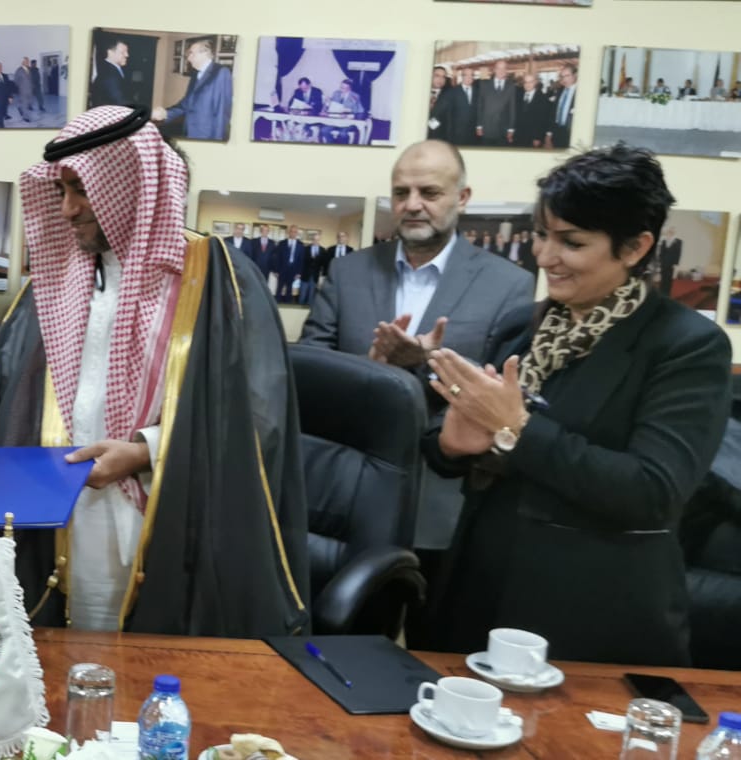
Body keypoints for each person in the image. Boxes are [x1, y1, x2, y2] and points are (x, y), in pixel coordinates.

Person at [0, 106, 308, 637]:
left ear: (134, 186)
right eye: (61, 190)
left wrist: (146, 452)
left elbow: (259, 418)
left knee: (155, 669)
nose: (67, 209)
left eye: (82, 190)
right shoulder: (55, 279)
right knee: (63, 667)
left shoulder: (220, 280)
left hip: (168, 519)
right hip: (56, 525)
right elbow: (0, 384)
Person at [423, 144, 730, 667]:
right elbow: (453, 441)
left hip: (593, 615)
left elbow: (652, 491)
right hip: (477, 592)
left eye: (572, 242)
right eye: (541, 235)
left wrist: (517, 428)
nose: (545, 257)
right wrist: (450, 444)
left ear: (635, 247)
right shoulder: (522, 326)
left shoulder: (685, 345)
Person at [300, 140, 534, 612]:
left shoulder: (508, 284)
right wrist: (370, 370)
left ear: (462, 198)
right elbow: (306, 375)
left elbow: (502, 394)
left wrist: (423, 365)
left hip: (442, 502)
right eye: (400, 192)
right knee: (334, 632)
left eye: (429, 192)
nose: (412, 204)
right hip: (343, 499)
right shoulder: (348, 272)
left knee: (433, 641)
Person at [151, 39, 232, 141]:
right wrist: (165, 113)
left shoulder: (221, 72)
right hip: (189, 133)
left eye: (192, 53)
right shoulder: (195, 74)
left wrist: (218, 142)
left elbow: (222, 112)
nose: (189, 58)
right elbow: (186, 104)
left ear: (204, 53)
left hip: (207, 136)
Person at [475, 60, 515, 146]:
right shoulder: (484, 84)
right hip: (487, 127)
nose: (501, 71)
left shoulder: (511, 86)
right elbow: (480, 106)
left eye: (504, 68)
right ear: (494, 70)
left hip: (503, 129)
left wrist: (511, 128)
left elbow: (512, 109)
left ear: (506, 70)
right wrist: (479, 125)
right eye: (498, 68)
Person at [513, 73, 550, 148]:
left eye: (530, 82)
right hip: (518, 135)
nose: (528, 84)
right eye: (526, 82)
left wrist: (538, 137)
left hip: (533, 137)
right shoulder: (518, 95)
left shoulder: (542, 98)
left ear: (535, 82)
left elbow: (543, 120)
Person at [546, 65, 577, 149]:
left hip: (571, 134)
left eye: (567, 76)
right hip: (557, 133)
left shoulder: (581, 92)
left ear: (575, 75)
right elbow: (553, 113)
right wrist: (548, 134)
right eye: (562, 76)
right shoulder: (559, 91)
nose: (564, 79)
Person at [657, 226, 682, 297]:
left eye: (672, 231)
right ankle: (661, 291)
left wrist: (676, 263)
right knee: (663, 278)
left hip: (671, 264)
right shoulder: (664, 241)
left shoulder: (678, 241)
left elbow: (678, 253)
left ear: (674, 232)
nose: (671, 232)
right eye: (670, 231)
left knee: (668, 279)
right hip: (663, 262)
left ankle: (667, 293)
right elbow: (661, 252)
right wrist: (660, 261)